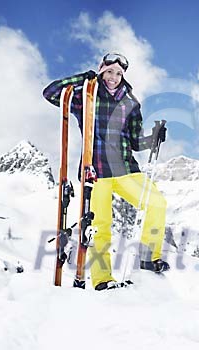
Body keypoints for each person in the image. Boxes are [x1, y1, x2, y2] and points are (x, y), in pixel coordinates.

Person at [43, 53, 169, 291]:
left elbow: (134, 142)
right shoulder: (86, 97)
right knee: (100, 226)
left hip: (125, 169)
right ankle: (103, 280)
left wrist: (153, 138)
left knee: (157, 203)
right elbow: (51, 93)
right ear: (101, 70)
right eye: (110, 72)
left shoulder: (131, 103)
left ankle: (148, 257)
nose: (114, 78)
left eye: (119, 74)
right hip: (96, 170)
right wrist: (82, 79)